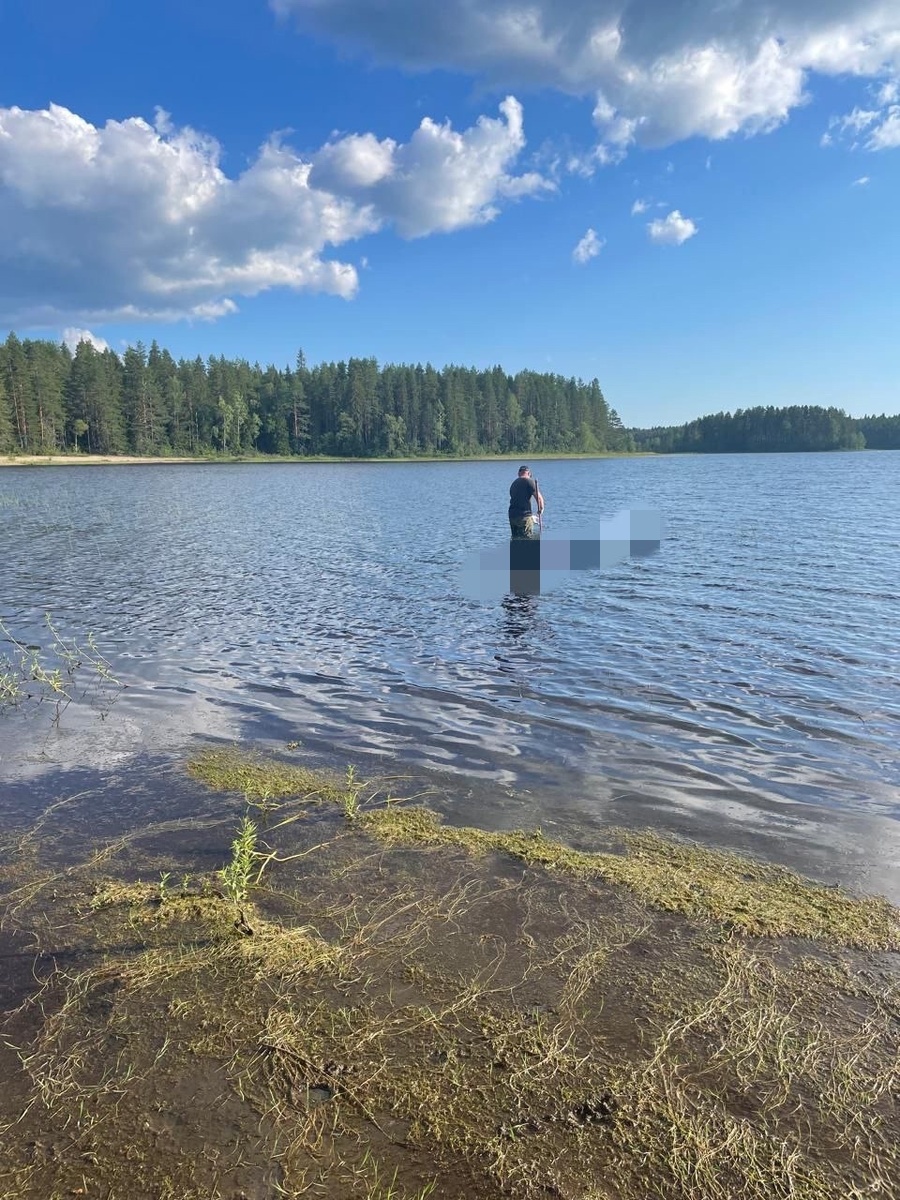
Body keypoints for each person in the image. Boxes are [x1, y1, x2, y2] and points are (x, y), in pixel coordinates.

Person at [508, 465, 544, 538]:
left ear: (519, 473)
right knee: (527, 539)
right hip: (524, 517)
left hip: (512, 516)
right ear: (529, 474)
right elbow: (539, 498)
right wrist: (541, 509)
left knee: (515, 538)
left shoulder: (514, 483)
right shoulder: (530, 481)